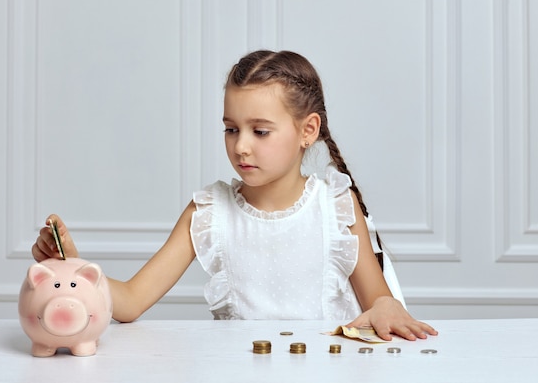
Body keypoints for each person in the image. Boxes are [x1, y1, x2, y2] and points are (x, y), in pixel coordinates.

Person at [32, 50, 437, 341]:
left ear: (307, 131)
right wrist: (73, 265)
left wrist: (385, 308)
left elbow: (379, 300)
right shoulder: (207, 212)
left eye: (260, 131)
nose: (241, 146)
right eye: (231, 128)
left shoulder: (334, 206)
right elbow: (132, 302)